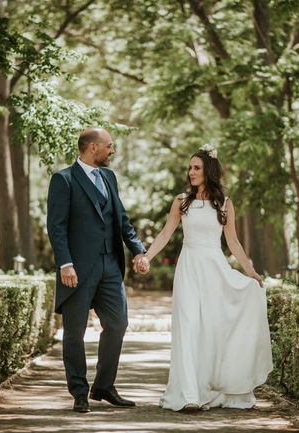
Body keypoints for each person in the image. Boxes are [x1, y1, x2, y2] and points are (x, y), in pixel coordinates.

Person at [141, 144, 273, 411]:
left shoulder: (225, 204)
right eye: (189, 168)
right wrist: (146, 256)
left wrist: (250, 271)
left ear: (208, 171)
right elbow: (166, 234)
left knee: (211, 330)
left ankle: (211, 387)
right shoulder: (181, 201)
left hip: (214, 269)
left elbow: (233, 242)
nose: (191, 172)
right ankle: (189, 394)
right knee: (187, 327)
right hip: (188, 268)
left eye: (196, 168)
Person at [47, 127, 149, 413]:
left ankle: (103, 386)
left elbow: (122, 220)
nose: (112, 151)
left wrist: (138, 249)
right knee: (74, 333)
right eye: (109, 146)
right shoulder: (63, 179)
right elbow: (56, 227)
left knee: (117, 324)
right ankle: (79, 391)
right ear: (92, 147)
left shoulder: (109, 177)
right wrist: (65, 263)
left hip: (110, 266)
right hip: (76, 269)